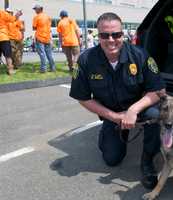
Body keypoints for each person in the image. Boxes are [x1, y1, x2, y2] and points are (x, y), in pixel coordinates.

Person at [69, 12, 166, 189]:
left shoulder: (140, 55)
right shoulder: (86, 60)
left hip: (138, 108)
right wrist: (114, 117)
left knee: (157, 114)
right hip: (112, 113)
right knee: (112, 159)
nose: (111, 40)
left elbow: (159, 90)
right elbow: (82, 98)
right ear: (98, 35)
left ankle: (147, 161)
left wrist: (133, 111)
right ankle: (108, 134)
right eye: (105, 35)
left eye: (116, 34)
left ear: (123, 34)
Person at [32, 4, 56, 73]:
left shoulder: (36, 17)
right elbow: (49, 26)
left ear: (39, 9)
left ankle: (43, 69)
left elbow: (34, 28)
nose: (35, 10)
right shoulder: (47, 16)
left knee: (42, 54)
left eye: (35, 9)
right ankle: (52, 68)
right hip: (47, 37)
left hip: (40, 37)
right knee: (49, 54)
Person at [0, 8, 22, 75]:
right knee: (8, 55)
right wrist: (18, 14)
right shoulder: (2, 13)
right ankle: (10, 70)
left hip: (10, 38)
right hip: (3, 37)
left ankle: (14, 67)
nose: (8, 13)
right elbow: (13, 18)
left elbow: (21, 27)